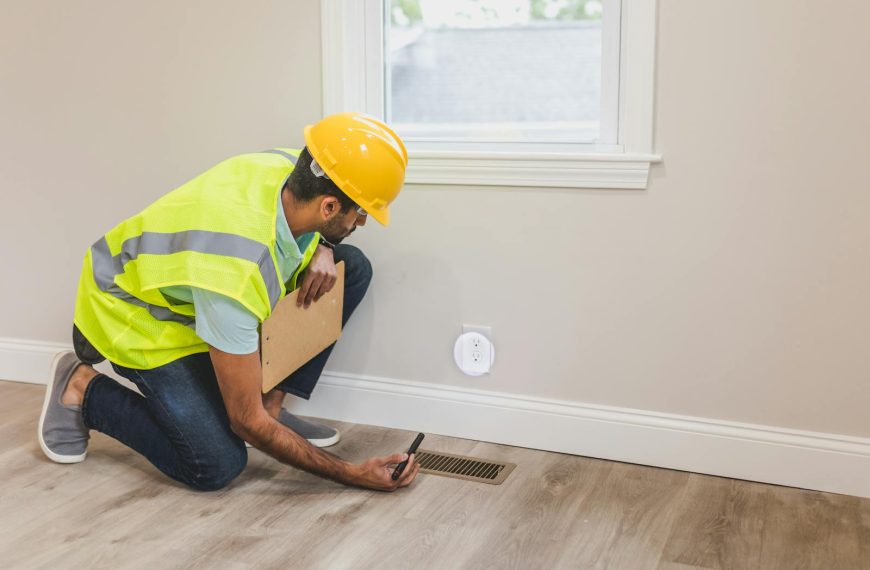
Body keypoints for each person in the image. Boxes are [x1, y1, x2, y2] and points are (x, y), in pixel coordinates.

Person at [37, 113, 420, 491]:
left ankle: (271, 407)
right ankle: (82, 388)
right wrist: (352, 474)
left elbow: (321, 220)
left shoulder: (293, 167)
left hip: (196, 294)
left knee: (348, 266)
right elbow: (244, 421)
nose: (363, 223)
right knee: (217, 462)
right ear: (330, 208)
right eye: (363, 213)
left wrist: (323, 244)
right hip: (135, 314)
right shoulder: (236, 273)